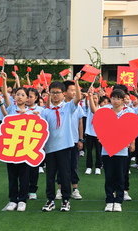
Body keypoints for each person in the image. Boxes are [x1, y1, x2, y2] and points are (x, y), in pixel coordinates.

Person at [0, 71, 39, 211]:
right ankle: (13, 200)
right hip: (11, 148)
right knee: (12, 176)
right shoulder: (11, 109)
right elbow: (4, 95)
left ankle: (22, 200)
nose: (20, 97)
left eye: (23, 95)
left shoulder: (30, 112)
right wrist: (4, 80)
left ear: (28, 98)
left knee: (24, 175)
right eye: (18, 94)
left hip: (25, 148)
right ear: (14, 96)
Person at [89, 88, 135, 212]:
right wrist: (90, 97)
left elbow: (132, 129)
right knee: (109, 176)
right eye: (113, 98)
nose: (116, 101)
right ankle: (109, 199)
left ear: (123, 99)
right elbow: (96, 115)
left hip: (122, 151)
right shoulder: (105, 110)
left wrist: (132, 143)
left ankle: (119, 200)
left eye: (119, 98)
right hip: (107, 150)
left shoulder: (128, 111)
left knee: (120, 176)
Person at [40, 73, 81, 212]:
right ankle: (50, 200)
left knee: (65, 175)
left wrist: (76, 83)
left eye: (58, 93)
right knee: (50, 175)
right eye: (52, 93)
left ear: (63, 94)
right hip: (50, 148)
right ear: (49, 94)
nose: (55, 95)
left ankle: (65, 200)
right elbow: (42, 129)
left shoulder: (68, 107)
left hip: (65, 147)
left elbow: (78, 98)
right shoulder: (46, 111)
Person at [55, 81, 84, 200]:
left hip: (74, 141)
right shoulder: (59, 106)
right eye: (71, 90)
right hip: (61, 142)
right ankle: (60, 189)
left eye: (75, 90)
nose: (74, 92)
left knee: (73, 165)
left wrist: (81, 139)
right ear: (64, 92)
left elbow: (80, 123)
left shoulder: (77, 106)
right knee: (60, 166)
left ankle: (75, 189)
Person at [26, 88, 44, 200]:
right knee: (22, 169)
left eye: (30, 97)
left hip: (35, 143)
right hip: (22, 143)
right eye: (26, 96)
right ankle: (23, 189)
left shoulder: (42, 110)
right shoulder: (21, 109)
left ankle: (32, 190)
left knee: (33, 168)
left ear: (36, 98)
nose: (28, 99)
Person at [84, 92, 102, 175]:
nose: (94, 100)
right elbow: (90, 107)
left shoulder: (101, 109)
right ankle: (89, 166)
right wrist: (89, 97)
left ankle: (98, 166)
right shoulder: (88, 107)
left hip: (98, 133)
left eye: (96, 98)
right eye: (93, 98)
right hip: (89, 132)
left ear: (98, 99)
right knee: (89, 151)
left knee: (98, 151)